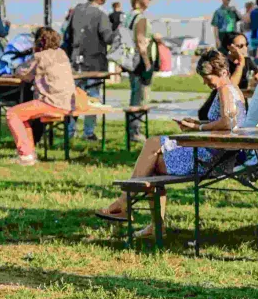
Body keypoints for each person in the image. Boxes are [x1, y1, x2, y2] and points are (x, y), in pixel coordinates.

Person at [98, 50, 247, 227]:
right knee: (152, 155)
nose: (205, 82)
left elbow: (226, 123)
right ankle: (136, 213)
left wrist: (198, 127)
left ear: (222, 72)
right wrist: (199, 123)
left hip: (210, 159)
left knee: (152, 152)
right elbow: (227, 122)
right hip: (220, 156)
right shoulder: (233, 90)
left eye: (207, 77)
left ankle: (127, 206)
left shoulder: (224, 90)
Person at [4, 27, 74, 166]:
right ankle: (29, 152)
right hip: (67, 102)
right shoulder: (61, 54)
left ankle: (25, 154)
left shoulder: (39, 57)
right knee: (23, 116)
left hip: (51, 102)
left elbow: (23, 73)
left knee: (12, 114)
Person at [63, 0, 113, 141]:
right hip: (95, 63)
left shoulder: (77, 10)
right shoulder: (101, 15)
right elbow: (108, 38)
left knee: (74, 97)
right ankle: (88, 132)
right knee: (93, 97)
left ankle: (69, 131)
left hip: (75, 62)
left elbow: (67, 35)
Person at [125, 0, 158, 141]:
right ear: (139, 0)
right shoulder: (141, 18)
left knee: (135, 93)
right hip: (140, 61)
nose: (149, 0)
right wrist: (147, 63)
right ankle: (135, 131)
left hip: (131, 60)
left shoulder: (129, 16)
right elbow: (140, 41)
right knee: (141, 96)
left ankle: (133, 129)